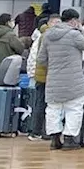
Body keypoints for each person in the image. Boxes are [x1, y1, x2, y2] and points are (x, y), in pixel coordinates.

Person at [38, 8, 84, 150]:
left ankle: (54, 139)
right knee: (74, 108)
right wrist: (82, 30)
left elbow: (41, 59)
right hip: (73, 81)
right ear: (74, 20)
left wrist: (55, 66)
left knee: (53, 109)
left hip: (53, 81)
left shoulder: (47, 35)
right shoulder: (74, 35)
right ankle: (69, 140)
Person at [26, 12, 60, 141]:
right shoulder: (47, 36)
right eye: (55, 23)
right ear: (49, 23)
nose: (57, 25)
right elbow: (43, 57)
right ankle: (39, 131)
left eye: (59, 23)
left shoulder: (42, 35)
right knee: (43, 104)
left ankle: (37, 131)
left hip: (42, 75)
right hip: (45, 75)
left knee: (41, 103)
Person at [0, 13, 25, 85]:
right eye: (11, 20)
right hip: (5, 72)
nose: (13, 22)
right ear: (7, 22)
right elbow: (20, 49)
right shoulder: (10, 36)